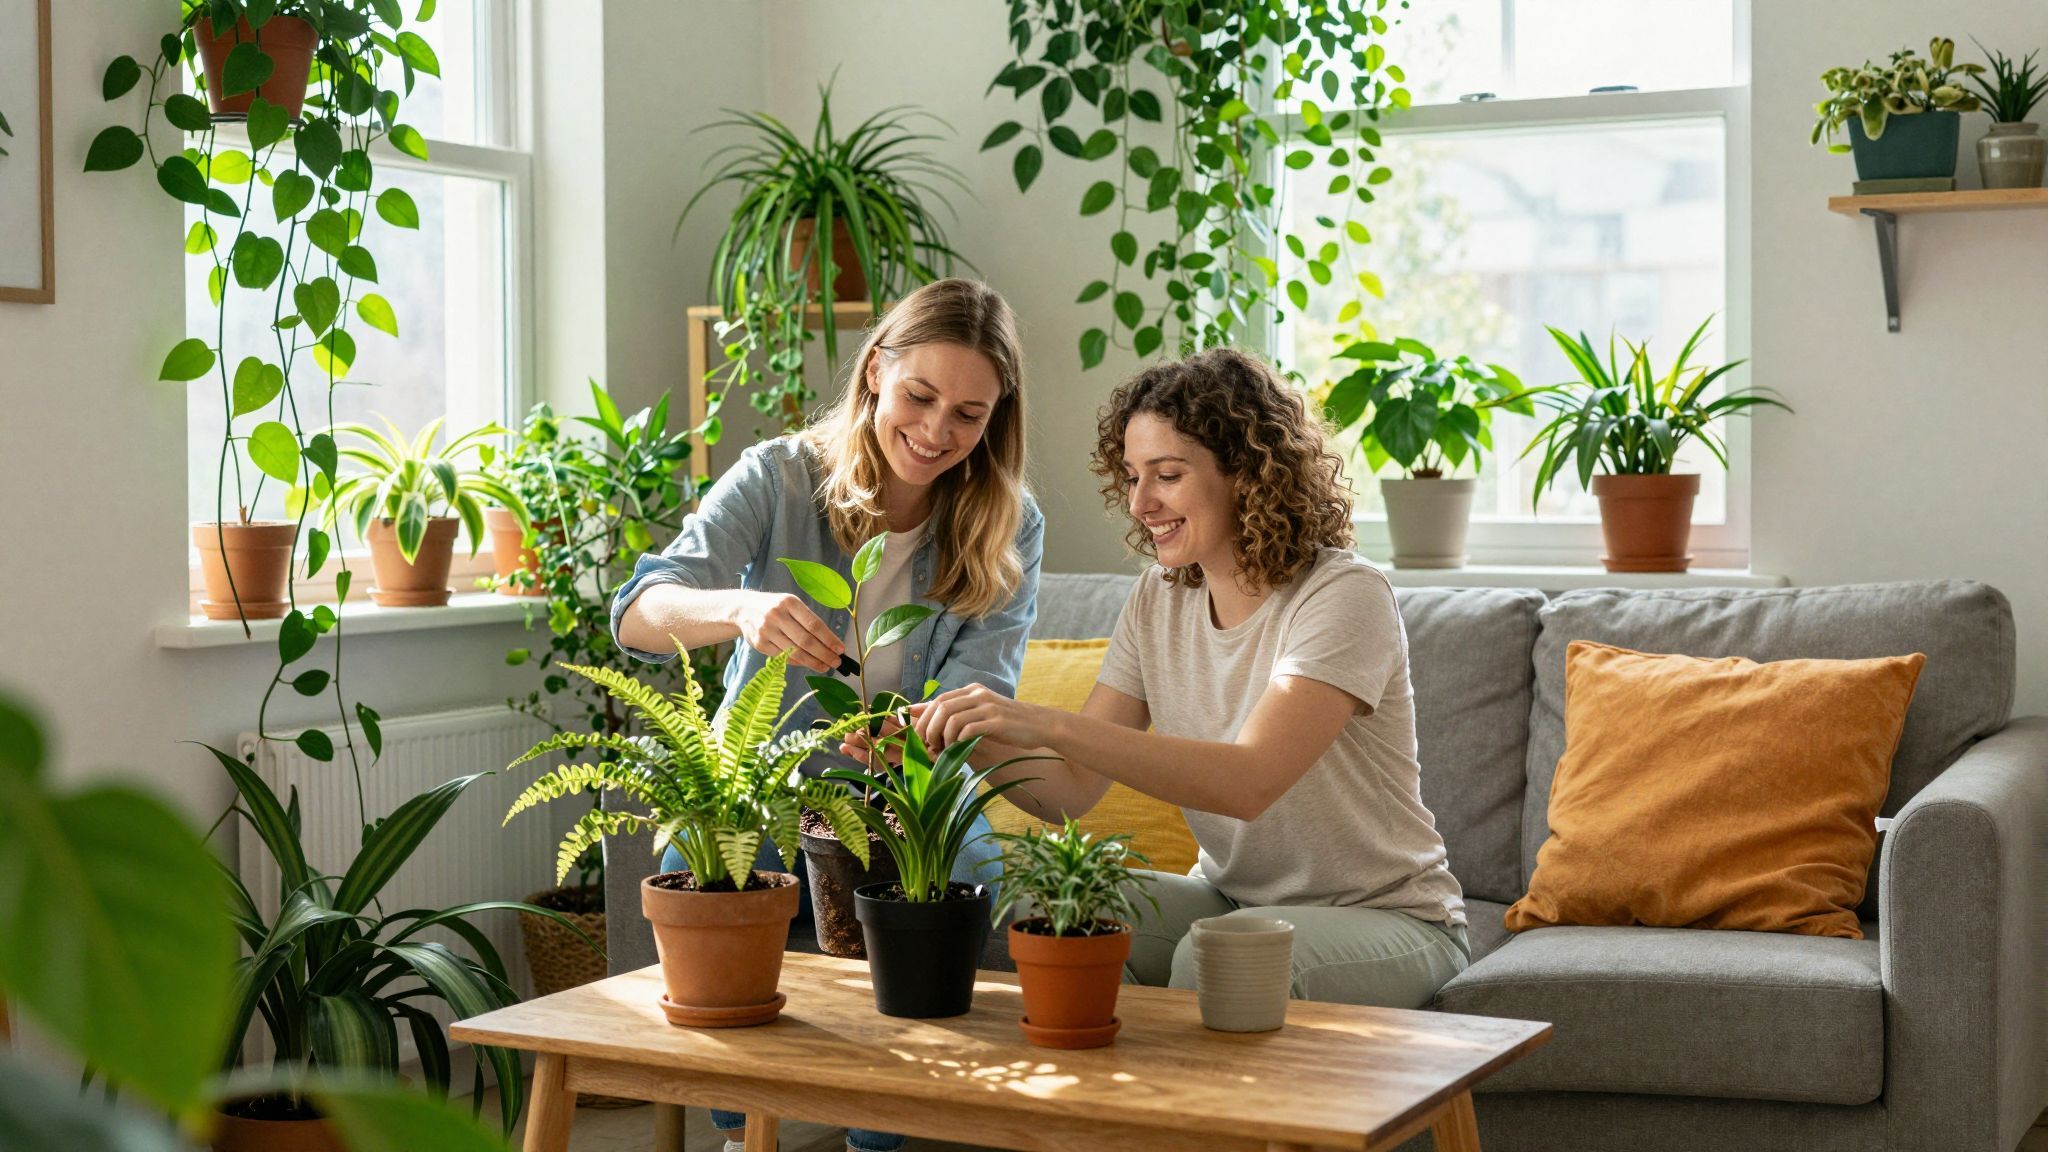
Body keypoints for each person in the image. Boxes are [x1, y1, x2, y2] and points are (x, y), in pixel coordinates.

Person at [611, 278, 1041, 1152]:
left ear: (995, 420)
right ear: (876, 371)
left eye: (968, 414)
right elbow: (637, 614)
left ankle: (881, 1130)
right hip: (764, 784)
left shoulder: (1010, 524)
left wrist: (910, 732)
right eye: (919, 396)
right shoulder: (778, 478)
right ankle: (746, 1128)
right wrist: (737, 611)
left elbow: (985, 687)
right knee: (712, 863)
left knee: (961, 870)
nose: (935, 432)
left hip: (905, 794)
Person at [913, 346, 1469, 1008]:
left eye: (1167, 475)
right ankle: (1101, 1111)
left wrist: (1041, 719)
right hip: (1230, 899)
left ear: (1247, 474)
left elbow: (1248, 781)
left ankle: (1174, 1112)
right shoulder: (1160, 598)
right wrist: (960, 741)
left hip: (1391, 920)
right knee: (1055, 905)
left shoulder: (1343, 595)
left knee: (1220, 956)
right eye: (1131, 476)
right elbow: (1069, 789)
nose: (1142, 503)